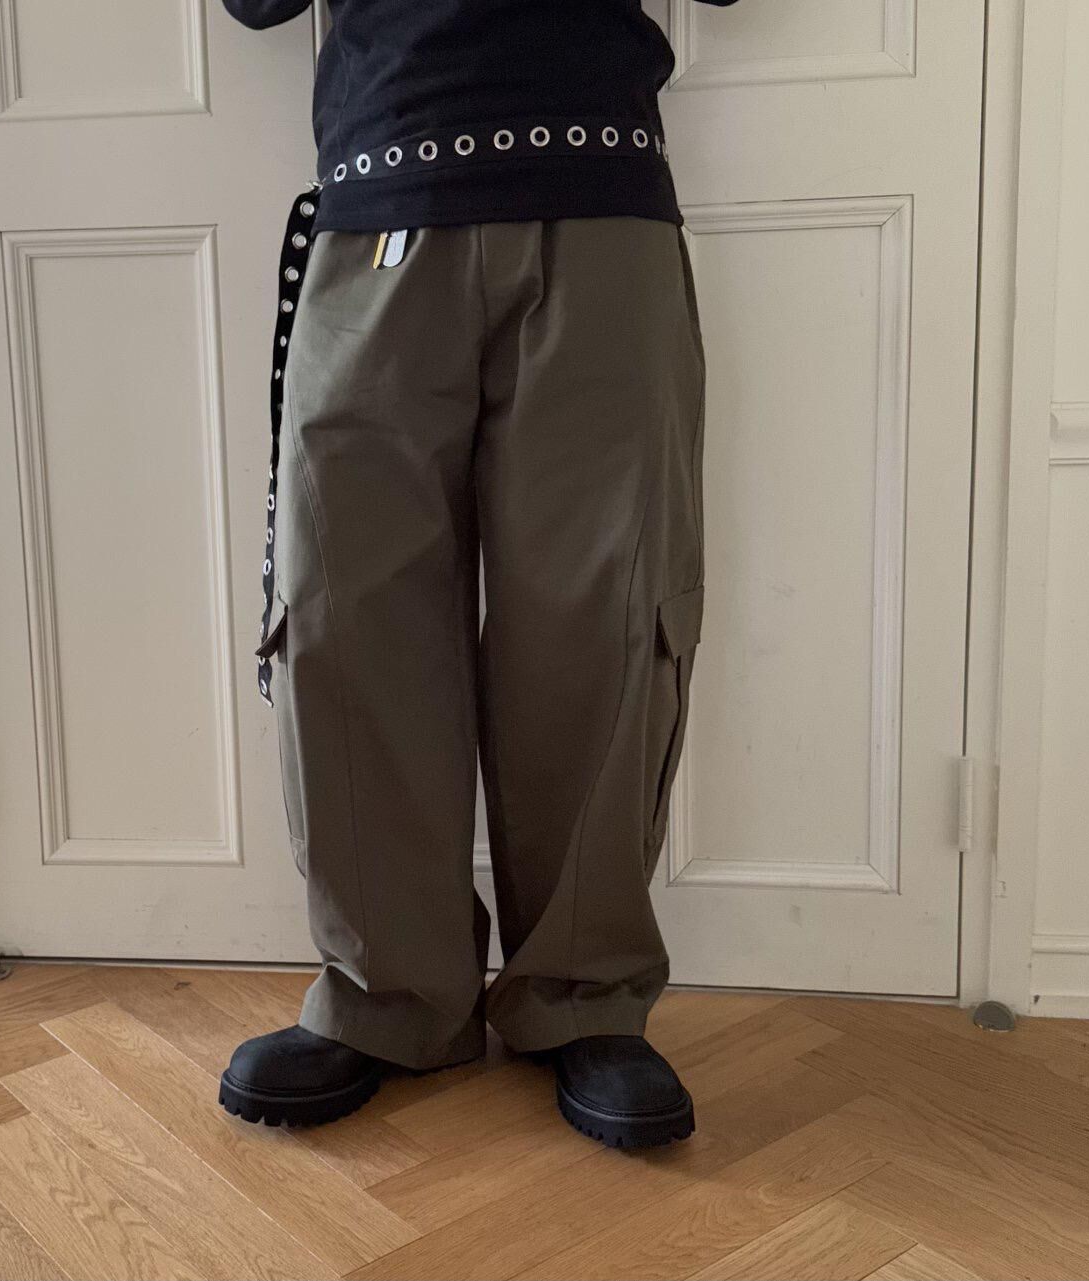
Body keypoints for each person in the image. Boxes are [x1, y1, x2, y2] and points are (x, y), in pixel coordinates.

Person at [218, 0, 736, 1149]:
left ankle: (582, 995)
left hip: (599, 202)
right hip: (378, 207)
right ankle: (385, 995)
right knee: (344, 616)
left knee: (603, 617)